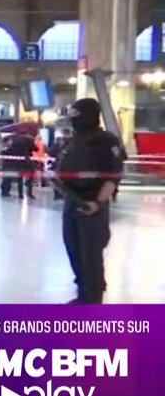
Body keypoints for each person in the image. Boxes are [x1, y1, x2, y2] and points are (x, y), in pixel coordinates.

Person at [52, 98, 124, 304]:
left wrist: (98, 202)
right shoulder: (73, 141)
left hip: (92, 204)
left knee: (90, 254)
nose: (72, 120)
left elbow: (113, 174)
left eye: (75, 115)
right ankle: (83, 293)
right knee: (73, 247)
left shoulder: (106, 141)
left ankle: (93, 301)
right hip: (72, 200)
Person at [1, 132, 37, 199]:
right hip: (26, 162)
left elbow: (5, 153)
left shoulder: (14, 143)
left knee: (17, 178)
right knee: (29, 177)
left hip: (16, 164)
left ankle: (20, 194)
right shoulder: (28, 140)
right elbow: (35, 149)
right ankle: (29, 193)